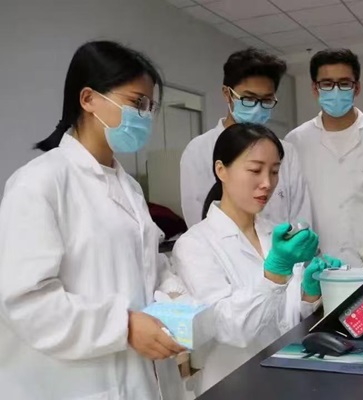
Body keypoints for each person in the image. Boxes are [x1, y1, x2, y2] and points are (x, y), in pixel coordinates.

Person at [0, 41, 188, 400]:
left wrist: (175, 296)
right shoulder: (39, 183)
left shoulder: (129, 187)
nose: (145, 116)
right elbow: (25, 302)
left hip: (144, 376)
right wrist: (123, 326)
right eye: (137, 103)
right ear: (88, 99)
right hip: (78, 383)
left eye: (150, 107)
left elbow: (149, 263)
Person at [172, 123, 342, 394]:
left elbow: (286, 322)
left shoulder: (274, 234)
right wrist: (274, 274)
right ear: (221, 170)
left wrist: (309, 295)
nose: (268, 183)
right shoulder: (194, 246)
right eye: (255, 170)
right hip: (233, 386)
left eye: (274, 171)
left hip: (287, 380)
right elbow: (229, 327)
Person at [286, 49, 363, 269]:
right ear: (315, 88)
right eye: (327, 84)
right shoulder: (295, 142)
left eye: (344, 83)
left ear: (356, 87)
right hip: (312, 267)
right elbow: (288, 207)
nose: (335, 90)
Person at [180, 48, 312, 228]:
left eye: (266, 100)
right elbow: (198, 219)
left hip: (282, 245)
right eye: (249, 99)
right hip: (223, 246)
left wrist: (292, 244)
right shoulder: (199, 150)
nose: (258, 108)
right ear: (227, 94)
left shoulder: (286, 152)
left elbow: (300, 215)